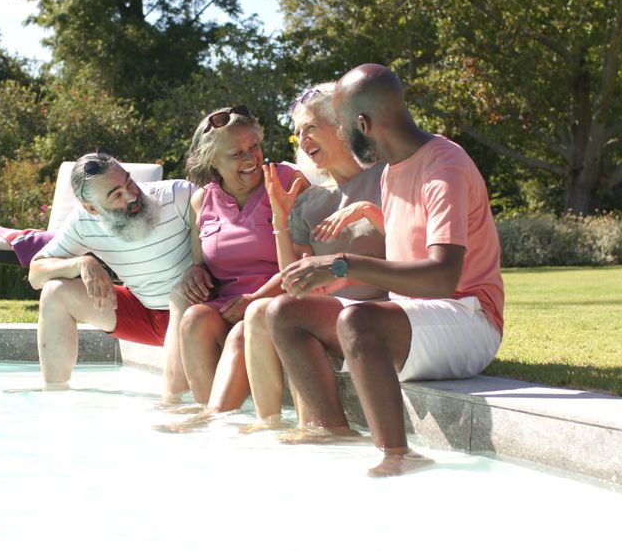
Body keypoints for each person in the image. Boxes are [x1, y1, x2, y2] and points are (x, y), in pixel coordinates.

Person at [269, 64, 505, 477]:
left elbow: (442, 277)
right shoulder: (395, 168)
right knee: (284, 313)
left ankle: (398, 455)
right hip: (417, 320)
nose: (340, 135)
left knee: (361, 321)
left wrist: (345, 264)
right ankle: (334, 432)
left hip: (469, 318)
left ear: (362, 123)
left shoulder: (443, 168)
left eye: (341, 126)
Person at [229, 82, 387, 432]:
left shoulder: (387, 177)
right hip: (324, 312)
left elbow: (412, 244)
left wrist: (367, 211)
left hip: (380, 309)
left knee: (284, 313)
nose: (303, 139)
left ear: (342, 125)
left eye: (311, 128)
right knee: (259, 311)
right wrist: (280, 220)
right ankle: (270, 424)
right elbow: (293, 281)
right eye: (297, 133)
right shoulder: (309, 201)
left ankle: (313, 428)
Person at [166, 105, 305, 420]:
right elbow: (199, 262)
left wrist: (256, 299)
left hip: (276, 303)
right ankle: (209, 414)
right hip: (226, 307)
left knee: (245, 329)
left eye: (254, 147)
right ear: (213, 160)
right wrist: (193, 273)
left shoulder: (285, 180)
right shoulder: (202, 200)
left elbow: (305, 259)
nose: (251, 159)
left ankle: (211, 420)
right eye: (236, 153)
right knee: (194, 319)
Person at [27, 152, 195, 401]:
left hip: (193, 312)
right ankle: (55, 393)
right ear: (92, 208)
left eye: (129, 182)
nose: (131, 195)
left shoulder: (178, 196)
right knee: (55, 292)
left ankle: (175, 406)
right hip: (144, 315)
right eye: (116, 195)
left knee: (181, 296)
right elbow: (36, 275)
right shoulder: (83, 222)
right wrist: (82, 263)